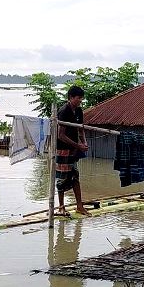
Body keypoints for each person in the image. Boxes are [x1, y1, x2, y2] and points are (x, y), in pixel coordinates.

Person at [56, 86, 91, 216]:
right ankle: (61, 206)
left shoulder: (79, 111)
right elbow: (61, 135)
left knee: (75, 176)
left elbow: (80, 129)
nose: (80, 101)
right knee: (62, 178)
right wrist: (78, 145)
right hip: (63, 149)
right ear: (71, 97)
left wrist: (84, 143)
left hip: (74, 149)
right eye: (78, 98)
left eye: (81, 99)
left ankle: (79, 206)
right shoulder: (64, 111)